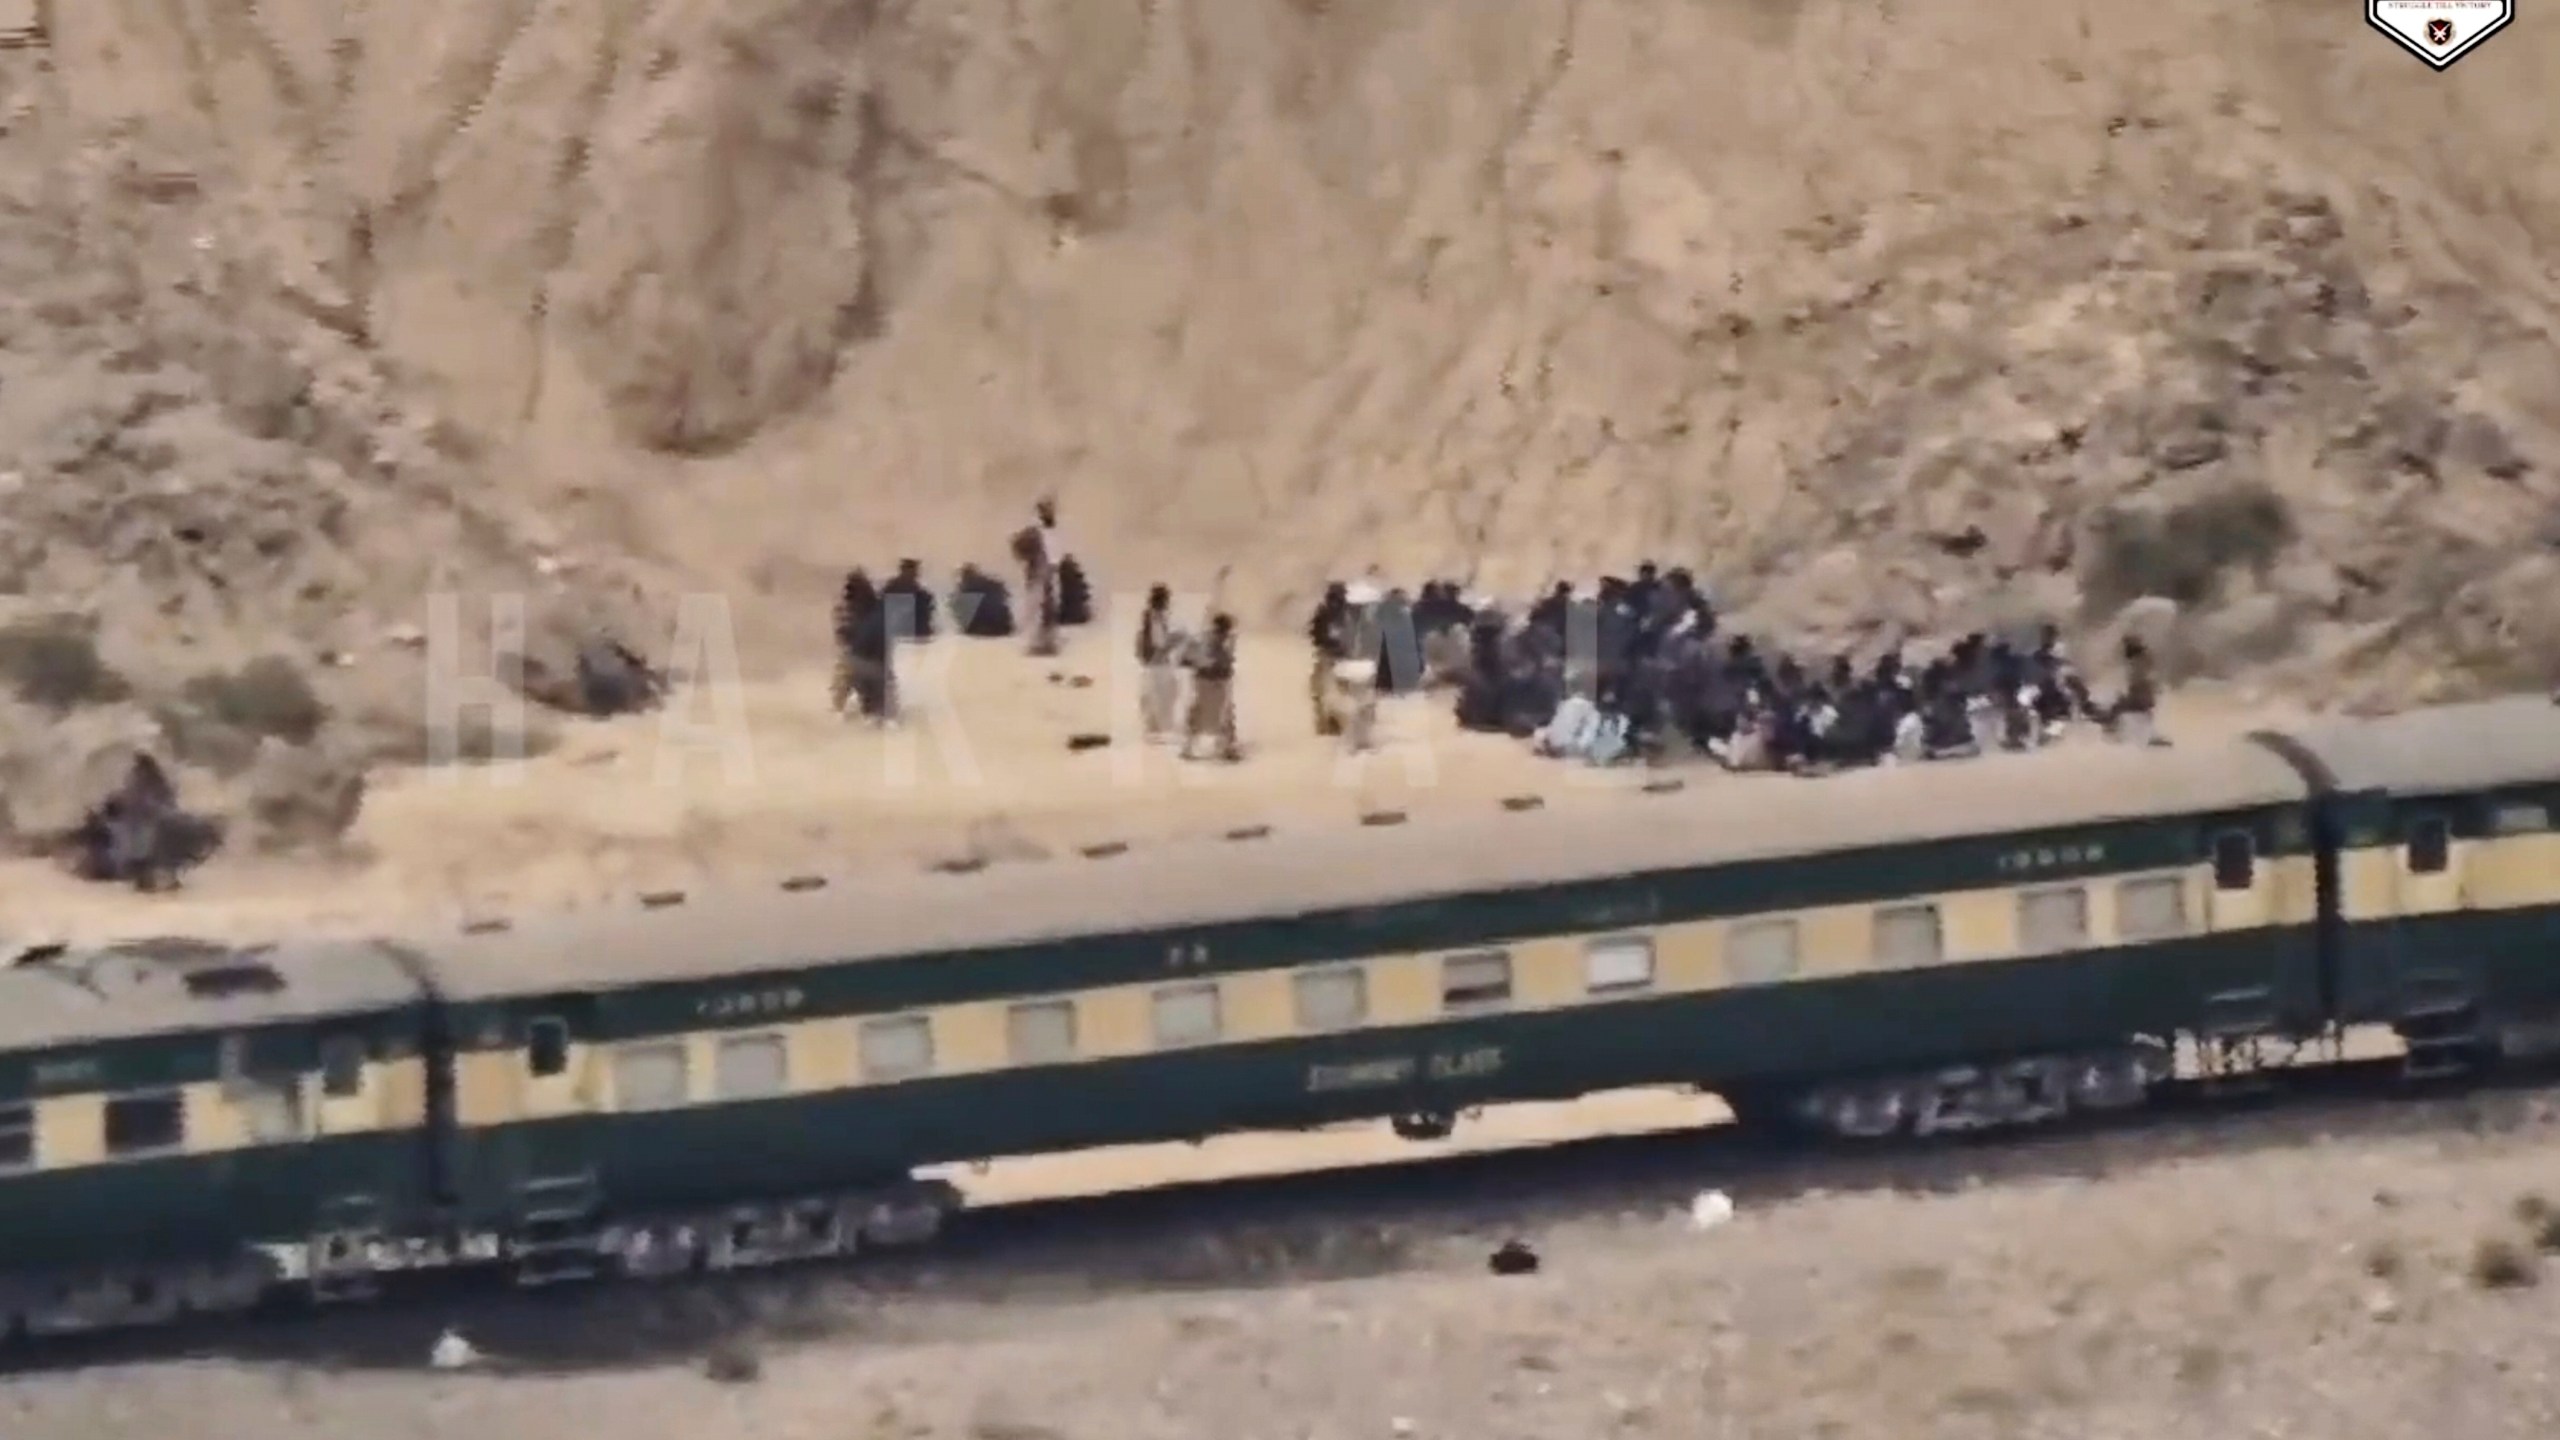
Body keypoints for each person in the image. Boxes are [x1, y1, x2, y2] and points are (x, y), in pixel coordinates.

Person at [1183, 612, 1242, 762]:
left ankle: (1192, 746)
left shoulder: (1206, 638)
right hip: (1211, 680)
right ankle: (1225, 747)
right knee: (1219, 714)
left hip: (1208, 680)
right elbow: (1222, 662)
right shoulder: (1210, 640)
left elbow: (1189, 658)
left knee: (1208, 713)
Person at [1137, 583, 1182, 742]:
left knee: (1160, 692)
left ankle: (1155, 725)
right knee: (1163, 692)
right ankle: (1157, 727)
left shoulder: (1152, 616)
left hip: (1153, 660)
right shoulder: (1155, 617)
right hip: (1157, 660)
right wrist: (1175, 640)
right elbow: (1159, 641)